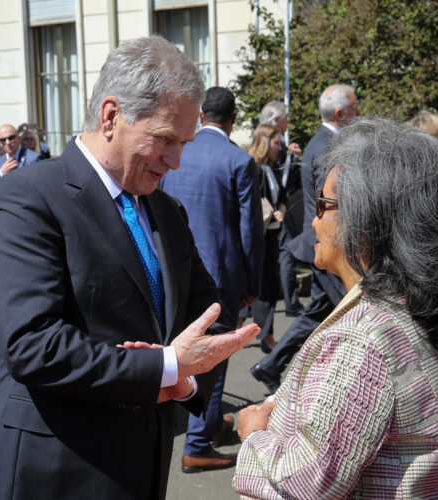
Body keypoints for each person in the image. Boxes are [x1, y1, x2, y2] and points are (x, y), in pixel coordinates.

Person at [0, 36, 261, 500]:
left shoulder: (168, 211)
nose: (176, 161)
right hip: (55, 472)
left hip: (141, 466)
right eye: (165, 139)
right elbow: (31, 344)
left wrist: (181, 380)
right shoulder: (28, 198)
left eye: (183, 143)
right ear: (110, 116)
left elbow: (209, 314)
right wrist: (161, 364)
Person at [234, 117, 438, 499]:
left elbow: (308, 485)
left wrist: (254, 433)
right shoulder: (415, 309)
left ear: (364, 222)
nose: (313, 219)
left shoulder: (363, 340)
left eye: (324, 204)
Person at [159, 86, 265, 473]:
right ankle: (198, 442)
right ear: (233, 119)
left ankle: (208, 421)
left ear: (202, 115)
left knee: (184, 349)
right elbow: (249, 231)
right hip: (220, 276)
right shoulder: (239, 161)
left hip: (175, 271)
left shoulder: (176, 155)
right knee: (214, 358)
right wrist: (253, 282)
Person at [250, 84, 359, 393]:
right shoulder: (326, 146)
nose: (360, 113)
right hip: (328, 245)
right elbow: (336, 204)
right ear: (341, 113)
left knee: (322, 310)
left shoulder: (326, 143)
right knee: (348, 311)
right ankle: (336, 380)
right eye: (356, 107)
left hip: (327, 244)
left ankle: (269, 366)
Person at [258, 101, 304, 317]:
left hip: (279, 209)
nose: (288, 121)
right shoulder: (271, 146)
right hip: (273, 213)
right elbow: (276, 181)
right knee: (284, 255)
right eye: (285, 117)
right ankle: (289, 301)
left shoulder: (279, 146)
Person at [247, 124, 286, 352]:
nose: (279, 148)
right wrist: (272, 213)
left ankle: (260, 331)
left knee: (268, 284)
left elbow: (280, 196)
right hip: (260, 235)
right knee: (265, 285)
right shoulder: (253, 167)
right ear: (264, 142)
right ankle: (266, 335)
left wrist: (279, 209)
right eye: (276, 143)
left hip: (271, 233)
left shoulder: (271, 168)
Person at [0, 124, 41, 195]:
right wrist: (1, 173)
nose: (8, 142)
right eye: (3, 140)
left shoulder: (33, 158)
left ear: (19, 138)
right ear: (0, 143)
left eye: (11, 138)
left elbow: (39, 187)